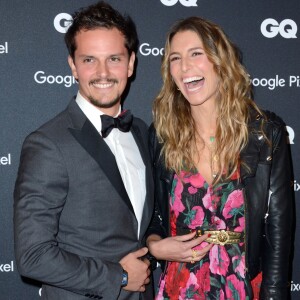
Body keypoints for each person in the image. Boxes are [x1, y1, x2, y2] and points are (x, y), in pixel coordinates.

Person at [14, 2, 154, 299]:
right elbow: (33, 256)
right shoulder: (48, 144)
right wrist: (119, 276)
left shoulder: (140, 131)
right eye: (89, 60)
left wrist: (155, 243)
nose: (102, 73)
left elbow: (137, 222)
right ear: (73, 66)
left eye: (114, 59)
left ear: (130, 64)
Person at [146, 16, 293, 299]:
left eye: (196, 53)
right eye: (175, 58)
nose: (185, 66)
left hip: (241, 286)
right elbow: (152, 217)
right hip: (181, 288)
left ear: (220, 61)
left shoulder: (264, 133)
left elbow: (278, 236)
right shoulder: (162, 135)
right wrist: (154, 245)